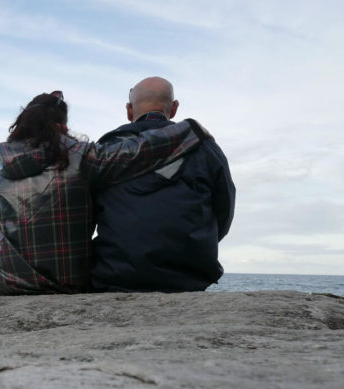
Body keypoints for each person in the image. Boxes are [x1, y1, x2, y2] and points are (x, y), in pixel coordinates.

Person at [0, 90, 210, 296]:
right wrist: (191, 130)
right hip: (59, 283)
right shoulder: (80, 157)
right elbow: (137, 152)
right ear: (63, 126)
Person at [89, 77, 236, 292]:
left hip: (115, 275)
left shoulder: (107, 150)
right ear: (174, 108)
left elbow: (86, 215)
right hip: (189, 278)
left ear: (129, 111)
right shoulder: (206, 148)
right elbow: (224, 210)